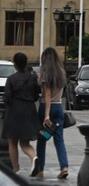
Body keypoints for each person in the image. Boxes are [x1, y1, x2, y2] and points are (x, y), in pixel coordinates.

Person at [35, 47, 69, 179]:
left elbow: (47, 95)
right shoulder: (61, 72)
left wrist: (46, 115)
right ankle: (64, 166)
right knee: (59, 139)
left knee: (42, 139)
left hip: (46, 108)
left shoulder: (45, 73)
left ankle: (40, 169)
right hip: (59, 108)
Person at [3, 52, 39, 174]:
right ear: (25, 63)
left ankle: (16, 169)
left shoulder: (11, 79)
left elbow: (7, 98)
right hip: (29, 110)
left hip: (14, 110)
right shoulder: (32, 77)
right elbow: (36, 96)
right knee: (25, 142)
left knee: (12, 141)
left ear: (15, 64)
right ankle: (34, 157)